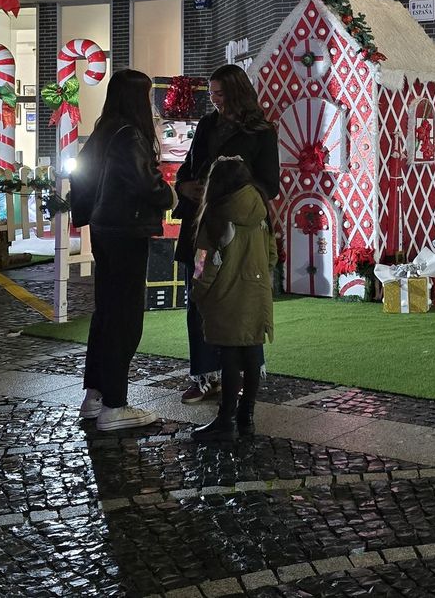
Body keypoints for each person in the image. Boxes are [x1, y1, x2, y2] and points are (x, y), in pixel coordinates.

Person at [70, 69, 176, 432]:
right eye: (146, 96)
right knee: (125, 318)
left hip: (103, 228)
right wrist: (171, 195)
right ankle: (115, 404)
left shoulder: (104, 130)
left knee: (106, 313)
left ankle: (95, 395)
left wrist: (86, 213)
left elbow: (79, 176)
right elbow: (146, 184)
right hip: (126, 230)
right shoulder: (129, 134)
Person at [173, 64, 280, 404]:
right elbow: (187, 166)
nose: (215, 101)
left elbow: (270, 183)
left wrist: (232, 189)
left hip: (241, 230)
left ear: (236, 92)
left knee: (243, 299)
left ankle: (248, 374)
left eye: (220, 94)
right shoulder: (206, 125)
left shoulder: (261, 131)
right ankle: (204, 375)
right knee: (199, 296)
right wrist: (184, 186)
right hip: (201, 225)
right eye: (212, 94)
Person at [189, 156, 276, 441]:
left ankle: (225, 419)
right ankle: (246, 417)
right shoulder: (261, 210)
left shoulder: (216, 216)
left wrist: (199, 293)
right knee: (251, 355)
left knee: (228, 358)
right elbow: (272, 253)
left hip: (226, 296)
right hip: (256, 293)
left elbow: (204, 263)